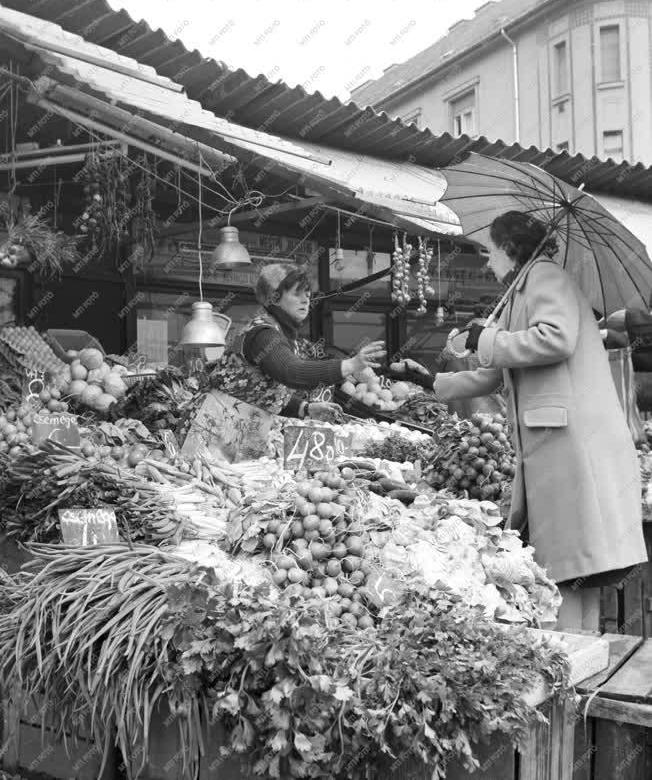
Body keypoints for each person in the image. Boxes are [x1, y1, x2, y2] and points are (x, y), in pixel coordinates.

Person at [396, 211, 647, 631]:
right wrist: (432, 381)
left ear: (510, 249)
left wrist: (484, 339)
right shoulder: (522, 289)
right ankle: (584, 657)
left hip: (571, 446)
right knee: (567, 568)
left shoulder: (547, 278)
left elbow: (556, 339)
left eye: (489, 252)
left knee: (566, 566)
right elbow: (499, 372)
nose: (486, 262)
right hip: (555, 445)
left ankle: (576, 660)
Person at [225, 262, 385, 420]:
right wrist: (351, 365)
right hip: (217, 428)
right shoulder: (264, 334)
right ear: (274, 298)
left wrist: (304, 408)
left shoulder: (283, 334)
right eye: (297, 294)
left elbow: (261, 389)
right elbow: (291, 371)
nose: (305, 300)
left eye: (307, 294)